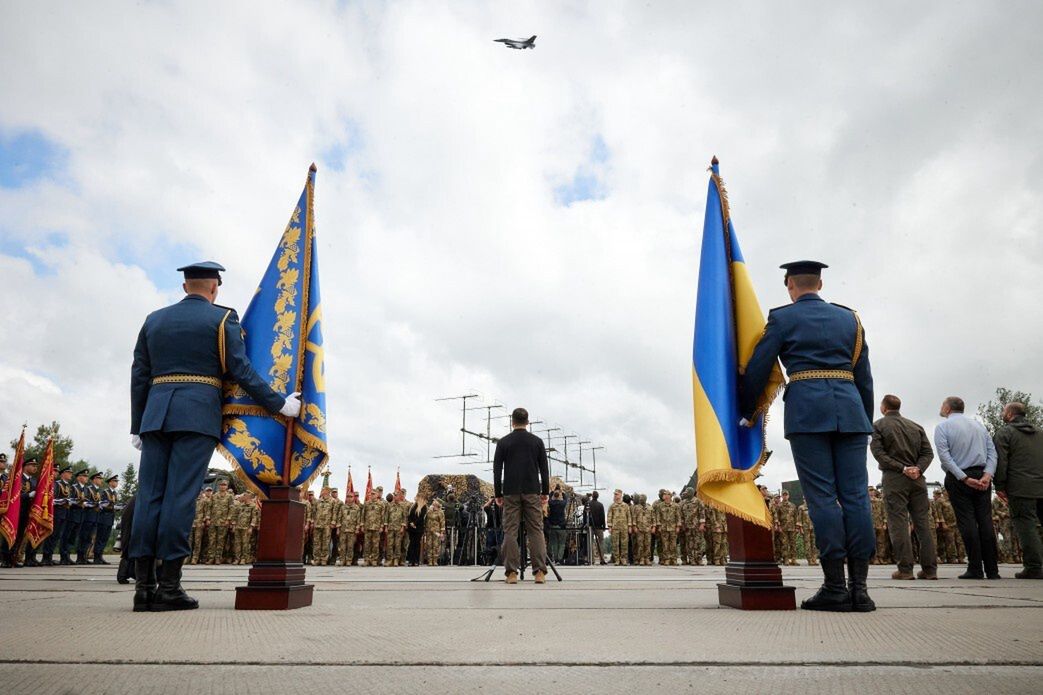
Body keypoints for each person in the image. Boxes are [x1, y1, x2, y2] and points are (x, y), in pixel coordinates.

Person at [129, 261, 300, 612]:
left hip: (155, 414)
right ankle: (169, 587)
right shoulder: (222, 319)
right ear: (214, 288)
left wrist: (137, 424)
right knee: (180, 497)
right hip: (196, 413)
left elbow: (139, 374)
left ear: (185, 287)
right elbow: (240, 369)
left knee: (149, 497)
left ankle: (144, 588)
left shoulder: (154, 319)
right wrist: (278, 404)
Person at [740, 260, 876, 612]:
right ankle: (860, 589)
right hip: (851, 411)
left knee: (822, 498)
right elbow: (864, 375)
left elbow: (759, 366)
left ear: (790, 284)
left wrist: (746, 408)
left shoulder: (783, 318)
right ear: (821, 283)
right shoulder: (851, 319)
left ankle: (835, 587)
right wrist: (865, 417)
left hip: (807, 411)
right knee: (857, 497)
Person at [870, 394, 937, 580]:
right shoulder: (916, 426)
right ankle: (930, 570)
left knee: (898, 523)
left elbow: (878, 453)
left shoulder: (879, 425)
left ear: (883, 408)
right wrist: (918, 468)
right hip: (917, 479)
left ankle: (905, 569)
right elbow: (928, 453)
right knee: (923, 523)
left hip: (894, 478)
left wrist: (902, 468)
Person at [935, 396, 1000, 580]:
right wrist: (988, 474)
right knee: (986, 521)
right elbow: (992, 452)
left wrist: (963, 478)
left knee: (967, 522)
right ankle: (992, 569)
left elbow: (945, 457)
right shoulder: (979, 425)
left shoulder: (943, 427)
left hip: (960, 477)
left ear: (947, 408)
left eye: (942, 404)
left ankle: (975, 568)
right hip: (982, 476)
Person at [493, 407, 550, 584]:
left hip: (510, 491)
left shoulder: (503, 442)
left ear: (512, 421)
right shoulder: (537, 442)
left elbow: (497, 470)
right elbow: (544, 469)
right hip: (532, 490)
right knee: (536, 530)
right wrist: (545, 491)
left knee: (510, 531)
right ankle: (539, 571)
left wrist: (498, 493)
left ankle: (511, 573)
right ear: (527, 422)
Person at [993, 402, 1043, 579]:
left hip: (1020, 487)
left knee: (1026, 525)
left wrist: (999, 485)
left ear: (1009, 414)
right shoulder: (1040, 433)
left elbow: (1001, 461)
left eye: (1003, 410)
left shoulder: (1005, 433)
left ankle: (1034, 567)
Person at [41, 466, 73, 566]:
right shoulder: (57, 484)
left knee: (57, 536)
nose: (71, 474)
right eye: (68, 472)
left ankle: (49, 556)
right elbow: (52, 500)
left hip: (64, 513)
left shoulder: (68, 486)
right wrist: (63, 501)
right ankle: (46, 557)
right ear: (63, 474)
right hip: (57, 513)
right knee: (52, 535)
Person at [77, 472, 103, 565]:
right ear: (94, 480)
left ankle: (84, 556)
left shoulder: (99, 491)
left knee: (89, 538)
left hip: (95, 517)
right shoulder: (88, 489)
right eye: (99, 478)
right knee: (83, 537)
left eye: (101, 479)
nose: (101, 480)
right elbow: (85, 502)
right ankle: (80, 557)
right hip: (88, 516)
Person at [406, 493, 427, 567]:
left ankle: (416, 560)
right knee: (411, 543)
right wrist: (411, 523)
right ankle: (411, 560)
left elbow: (421, 517)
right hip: (411, 528)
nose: (415, 497)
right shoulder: (413, 506)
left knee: (417, 544)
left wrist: (415, 523)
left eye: (417, 496)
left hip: (418, 528)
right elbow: (409, 515)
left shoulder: (423, 507)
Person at [586, 490, 607, 564]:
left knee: (590, 542)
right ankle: (602, 559)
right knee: (601, 542)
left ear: (592, 496)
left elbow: (585, 515)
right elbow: (602, 516)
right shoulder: (600, 505)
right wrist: (604, 526)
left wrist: (585, 524)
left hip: (590, 526)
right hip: (599, 526)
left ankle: (592, 559)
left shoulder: (588, 504)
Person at [546, 490, 567, 563]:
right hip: (561, 526)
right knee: (562, 543)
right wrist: (563, 492)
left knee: (554, 543)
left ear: (554, 496)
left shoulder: (551, 503)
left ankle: (555, 558)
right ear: (559, 496)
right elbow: (566, 498)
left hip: (552, 526)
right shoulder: (562, 504)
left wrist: (552, 491)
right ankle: (560, 558)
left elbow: (549, 498)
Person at [425, 500, 446, 565]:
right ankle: (430, 560)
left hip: (437, 531)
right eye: (433, 503)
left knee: (436, 545)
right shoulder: (429, 511)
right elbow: (426, 520)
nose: (433, 504)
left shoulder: (440, 512)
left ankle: (435, 559)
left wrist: (442, 532)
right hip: (429, 530)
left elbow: (442, 522)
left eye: (435, 503)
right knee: (429, 545)